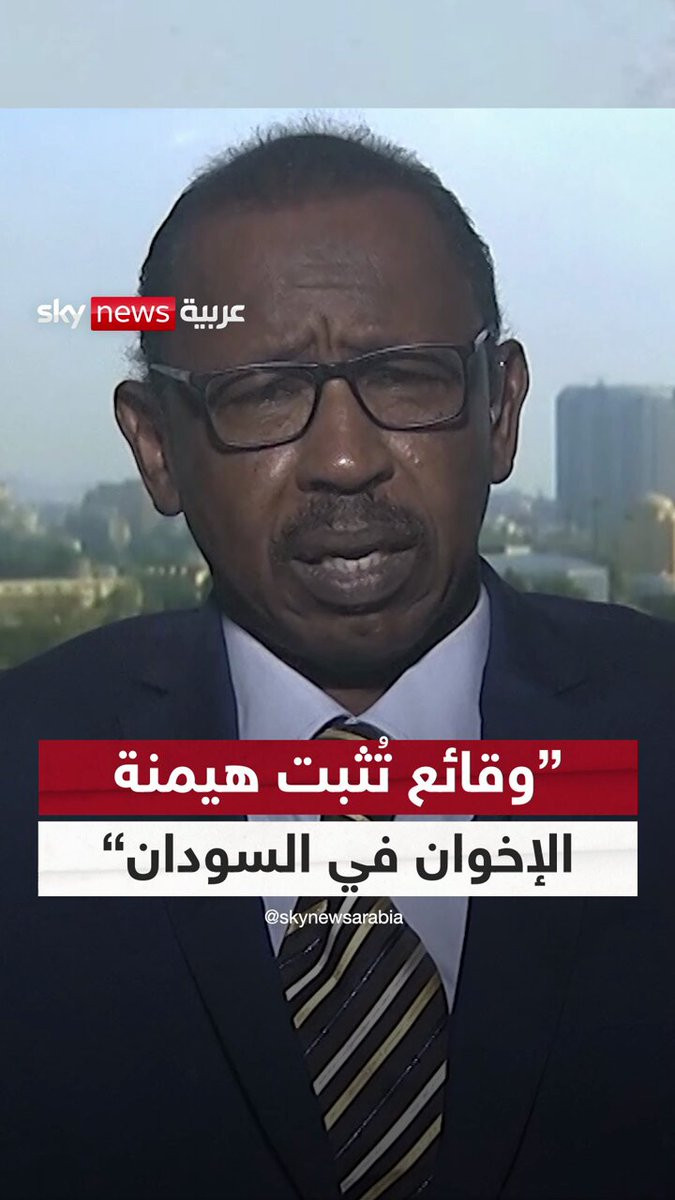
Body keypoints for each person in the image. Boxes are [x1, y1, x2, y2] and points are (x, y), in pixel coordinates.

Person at [2, 123, 674, 1200]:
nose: (347, 458)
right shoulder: (22, 783)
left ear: (500, 411)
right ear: (156, 447)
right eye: (263, 393)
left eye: (405, 378)